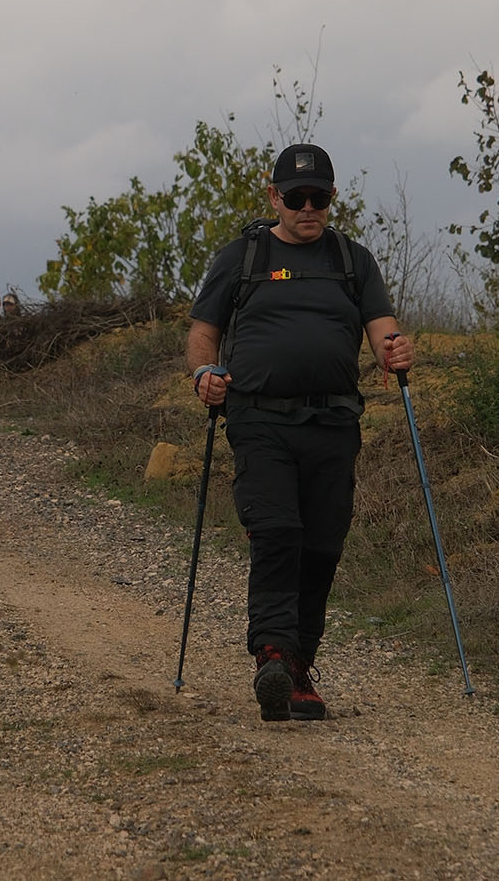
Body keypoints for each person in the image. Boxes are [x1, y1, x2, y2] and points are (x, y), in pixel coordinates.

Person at [185, 143, 413, 723]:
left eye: (318, 198)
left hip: (334, 422)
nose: (307, 208)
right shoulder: (243, 256)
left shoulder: (351, 260)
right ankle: (272, 655)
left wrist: (395, 351)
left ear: (332, 199)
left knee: (322, 544)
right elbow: (203, 332)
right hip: (258, 418)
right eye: (295, 197)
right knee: (277, 529)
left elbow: (382, 330)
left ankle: (299, 667)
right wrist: (204, 375)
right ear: (274, 197)